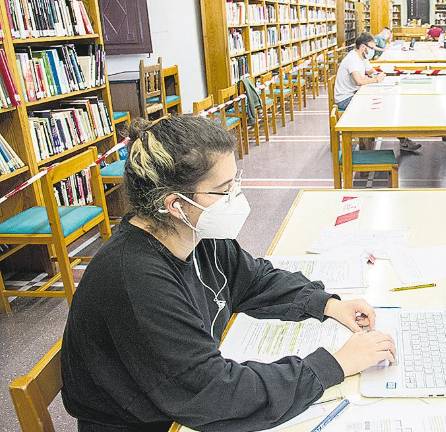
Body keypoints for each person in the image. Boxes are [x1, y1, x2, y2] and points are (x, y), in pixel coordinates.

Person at [61, 115, 398, 432]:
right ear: (175, 204)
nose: (235, 198)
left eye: (234, 182)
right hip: (152, 423)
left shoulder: (193, 233)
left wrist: (327, 304)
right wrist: (333, 365)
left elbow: (253, 279)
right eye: (224, 190)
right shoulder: (134, 279)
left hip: (178, 399)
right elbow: (215, 393)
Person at [334, 33, 422, 153]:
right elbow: (359, 81)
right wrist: (376, 79)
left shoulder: (362, 57)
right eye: (372, 48)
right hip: (346, 99)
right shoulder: (352, 59)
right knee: (381, 108)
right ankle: (374, 141)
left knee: (385, 102)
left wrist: (380, 75)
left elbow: (370, 71)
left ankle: (401, 139)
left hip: (356, 93)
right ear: (363, 47)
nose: (373, 51)